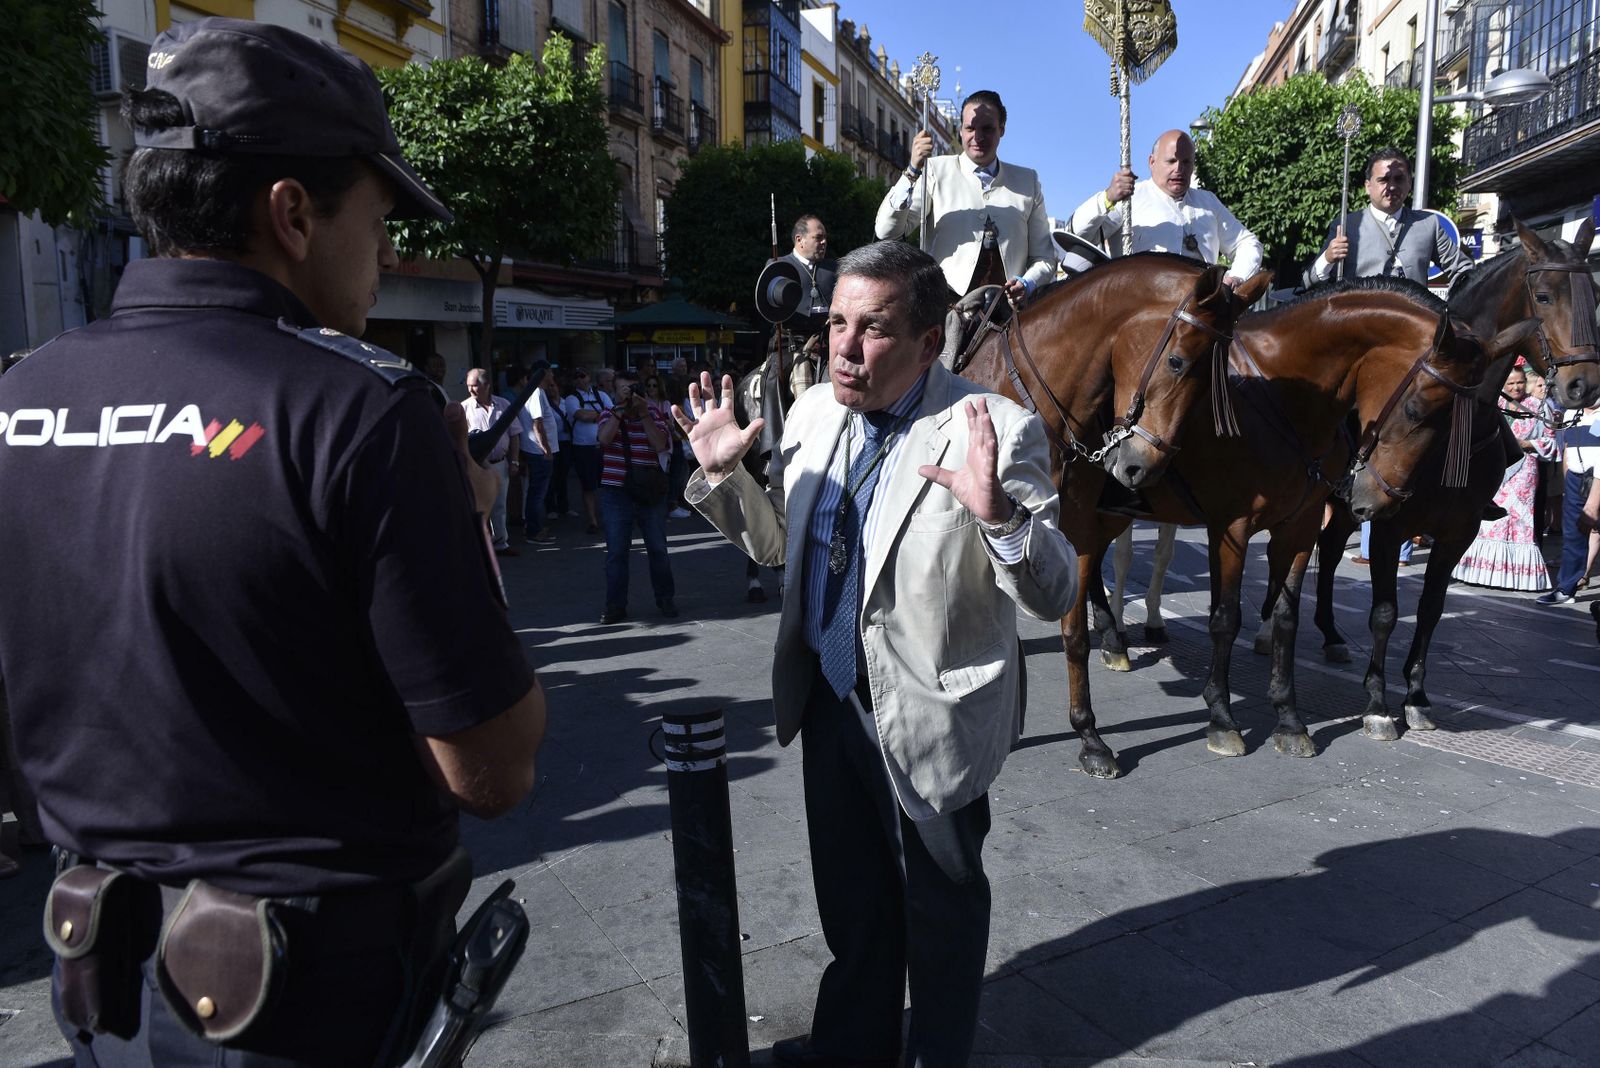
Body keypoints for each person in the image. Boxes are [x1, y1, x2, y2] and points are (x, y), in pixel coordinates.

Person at [0, 17, 545, 1065]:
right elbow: (492, 768)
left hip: (98, 969)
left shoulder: (26, 393)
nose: (387, 257)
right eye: (377, 221)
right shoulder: (363, 411)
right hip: (305, 995)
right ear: (293, 214)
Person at [677, 241, 1077, 1067]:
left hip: (932, 717)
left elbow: (1055, 592)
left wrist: (1001, 519)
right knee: (853, 909)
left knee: (941, 915)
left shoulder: (992, 430)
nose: (845, 348)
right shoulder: (818, 413)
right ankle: (851, 1048)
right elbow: (788, 544)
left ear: (929, 343)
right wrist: (729, 481)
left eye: (873, 330)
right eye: (836, 323)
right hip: (829, 703)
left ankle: (935, 1053)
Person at [874, 90, 1056, 300]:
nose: (977, 137)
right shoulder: (935, 170)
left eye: (987, 129)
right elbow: (887, 231)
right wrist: (913, 170)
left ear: (1002, 130)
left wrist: (1027, 282)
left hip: (1008, 311)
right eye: (970, 128)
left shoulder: (1027, 181)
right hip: (946, 305)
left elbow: (1044, 258)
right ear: (960, 130)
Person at [1068, 129, 1264, 285]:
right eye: (1171, 161)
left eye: (1186, 162)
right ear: (1152, 162)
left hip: (1200, 314)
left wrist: (1236, 277)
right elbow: (1077, 233)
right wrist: (1107, 198)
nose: (1179, 169)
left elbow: (1248, 243)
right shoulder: (1129, 199)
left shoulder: (1208, 203)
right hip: (1140, 311)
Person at [1303, 147, 1476, 288]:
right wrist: (1328, 258)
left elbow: (1463, 269)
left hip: (1414, 323)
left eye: (1399, 179)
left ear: (1409, 183)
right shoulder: (1347, 226)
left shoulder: (1429, 224)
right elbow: (1307, 281)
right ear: (1368, 186)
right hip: (1361, 324)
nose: (1392, 186)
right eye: (1384, 180)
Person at [1452, 367, 1558, 590]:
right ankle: (1479, 570)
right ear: (1502, 385)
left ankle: (1519, 575)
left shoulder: (1538, 406)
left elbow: (1551, 441)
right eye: (1510, 384)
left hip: (1525, 470)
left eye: (1519, 382)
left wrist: (1528, 444)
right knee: (1490, 519)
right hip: (1494, 468)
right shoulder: (1494, 406)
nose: (1516, 387)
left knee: (1520, 519)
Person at [597, 370, 677, 623]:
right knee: (617, 552)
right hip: (615, 492)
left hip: (648, 492)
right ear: (615, 392)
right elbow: (604, 439)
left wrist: (643, 413)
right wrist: (620, 410)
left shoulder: (652, 414)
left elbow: (661, 445)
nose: (631, 395)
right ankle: (615, 606)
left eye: (634, 390)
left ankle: (666, 600)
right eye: (625, 390)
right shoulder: (608, 414)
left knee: (657, 548)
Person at [1539, 404, 1600, 604]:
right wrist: (1568, 481)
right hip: (1577, 478)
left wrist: (1592, 503)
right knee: (1573, 535)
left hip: (1597, 478)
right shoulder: (1573, 413)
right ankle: (1566, 588)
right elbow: (1568, 448)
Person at [465, 366, 522, 556]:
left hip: (500, 462)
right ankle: (481, 545)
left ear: (487, 385)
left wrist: (514, 461)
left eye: (474, 385)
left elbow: (514, 435)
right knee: (480, 506)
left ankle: (500, 543)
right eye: (468, 386)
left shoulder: (504, 405)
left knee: (499, 504)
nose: (471, 390)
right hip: (477, 465)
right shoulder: (464, 408)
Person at [562, 367, 612, 534]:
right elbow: (581, 415)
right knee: (588, 486)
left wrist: (594, 414)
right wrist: (601, 414)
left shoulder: (601, 395)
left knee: (608, 485)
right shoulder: (571, 398)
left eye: (583, 375)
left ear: (589, 377)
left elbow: (613, 415)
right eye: (576, 377)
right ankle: (592, 521)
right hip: (583, 448)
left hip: (604, 446)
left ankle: (609, 517)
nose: (580, 379)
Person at [519, 367, 556, 544]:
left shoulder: (536, 392)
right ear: (543, 374)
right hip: (538, 451)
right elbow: (537, 423)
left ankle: (535, 526)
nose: (553, 376)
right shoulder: (536, 392)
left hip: (536, 450)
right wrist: (546, 450)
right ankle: (534, 531)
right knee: (537, 493)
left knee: (537, 492)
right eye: (550, 372)